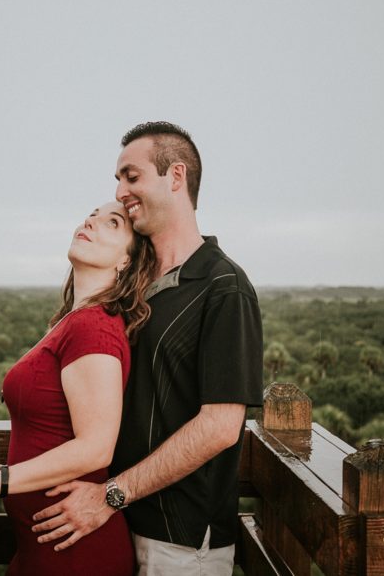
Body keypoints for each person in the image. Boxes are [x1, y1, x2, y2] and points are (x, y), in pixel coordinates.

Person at [31, 122, 264, 575]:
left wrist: (112, 494)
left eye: (131, 176)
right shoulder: (131, 285)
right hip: (109, 525)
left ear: (175, 177)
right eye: (118, 179)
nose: (120, 191)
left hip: (179, 542)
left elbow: (220, 426)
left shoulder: (224, 288)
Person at [0, 200, 157, 576]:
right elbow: (55, 431)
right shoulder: (75, 320)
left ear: (127, 260)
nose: (91, 222)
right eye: (91, 216)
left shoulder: (93, 327)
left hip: (76, 556)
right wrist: (5, 468)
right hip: (43, 548)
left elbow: (96, 447)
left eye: (112, 223)